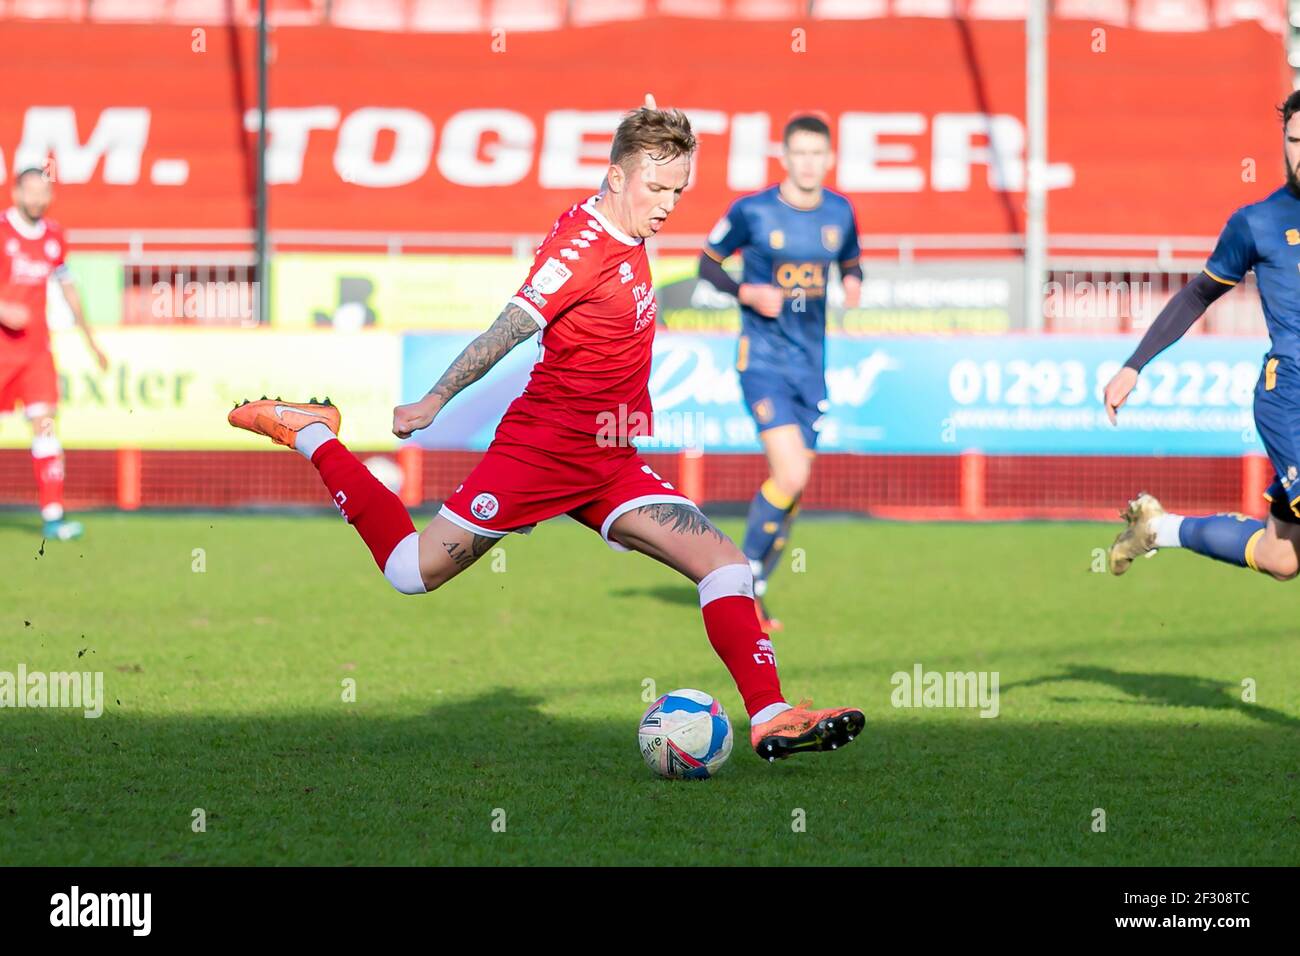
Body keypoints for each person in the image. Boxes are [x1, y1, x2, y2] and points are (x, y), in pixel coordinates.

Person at [228, 97, 865, 762]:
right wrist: (435, 399)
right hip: (543, 452)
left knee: (727, 568)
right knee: (409, 571)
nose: (669, 204)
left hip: (610, 459)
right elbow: (510, 327)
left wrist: (651, 131)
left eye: (678, 190)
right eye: (657, 186)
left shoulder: (625, 218)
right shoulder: (578, 251)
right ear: (616, 178)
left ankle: (771, 715)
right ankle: (312, 433)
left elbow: (628, 181)